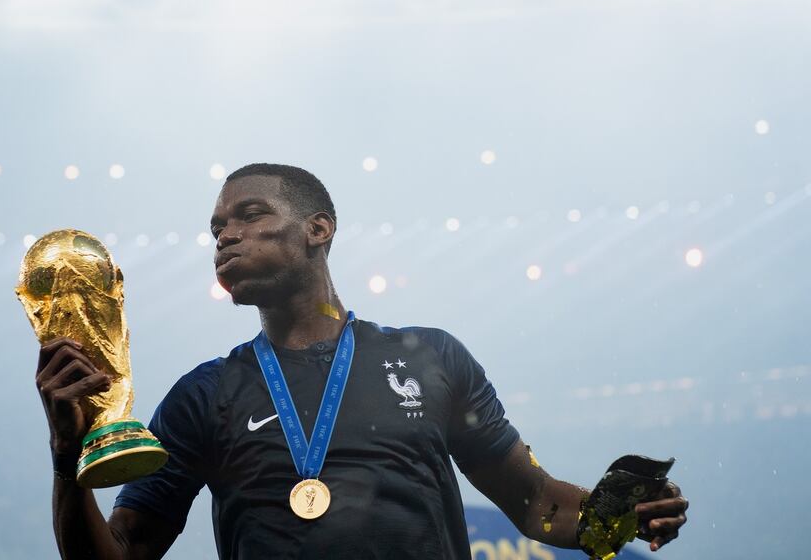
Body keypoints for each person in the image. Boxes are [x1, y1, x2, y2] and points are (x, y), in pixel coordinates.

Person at [35, 163, 688, 559]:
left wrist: (620, 513)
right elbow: (123, 552)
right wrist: (68, 458)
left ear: (318, 229)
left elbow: (538, 503)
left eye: (249, 216)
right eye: (216, 229)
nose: (226, 235)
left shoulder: (431, 359)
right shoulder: (204, 395)